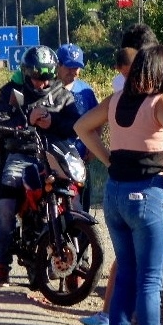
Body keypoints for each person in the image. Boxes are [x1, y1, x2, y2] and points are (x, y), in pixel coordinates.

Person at [75, 44, 163, 325]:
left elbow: (81, 127)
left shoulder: (116, 100)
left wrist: (108, 159)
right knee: (150, 281)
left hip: (116, 192)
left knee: (125, 275)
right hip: (148, 191)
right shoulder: (162, 101)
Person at [0, 45, 80, 287]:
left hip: (55, 156)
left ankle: (76, 265)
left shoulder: (63, 95)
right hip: (21, 155)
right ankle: (1, 265)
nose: (42, 83)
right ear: (27, 73)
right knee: (6, 205)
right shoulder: (10, 92)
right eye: (37, 78)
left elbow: (76, 124)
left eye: (47, 77)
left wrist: (53, 121)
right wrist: (25, 122)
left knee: (74, 201)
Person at [56, 43, 98, 212]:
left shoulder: (85, 91)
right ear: (58, 65)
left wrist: (94, 148)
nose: (74, 72)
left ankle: (82, 237)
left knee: (81, 204)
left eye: (77, 67)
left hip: (80, 157)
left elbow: (97, 120)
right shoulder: (46, 88)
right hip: (54, 155)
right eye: (69, 66)